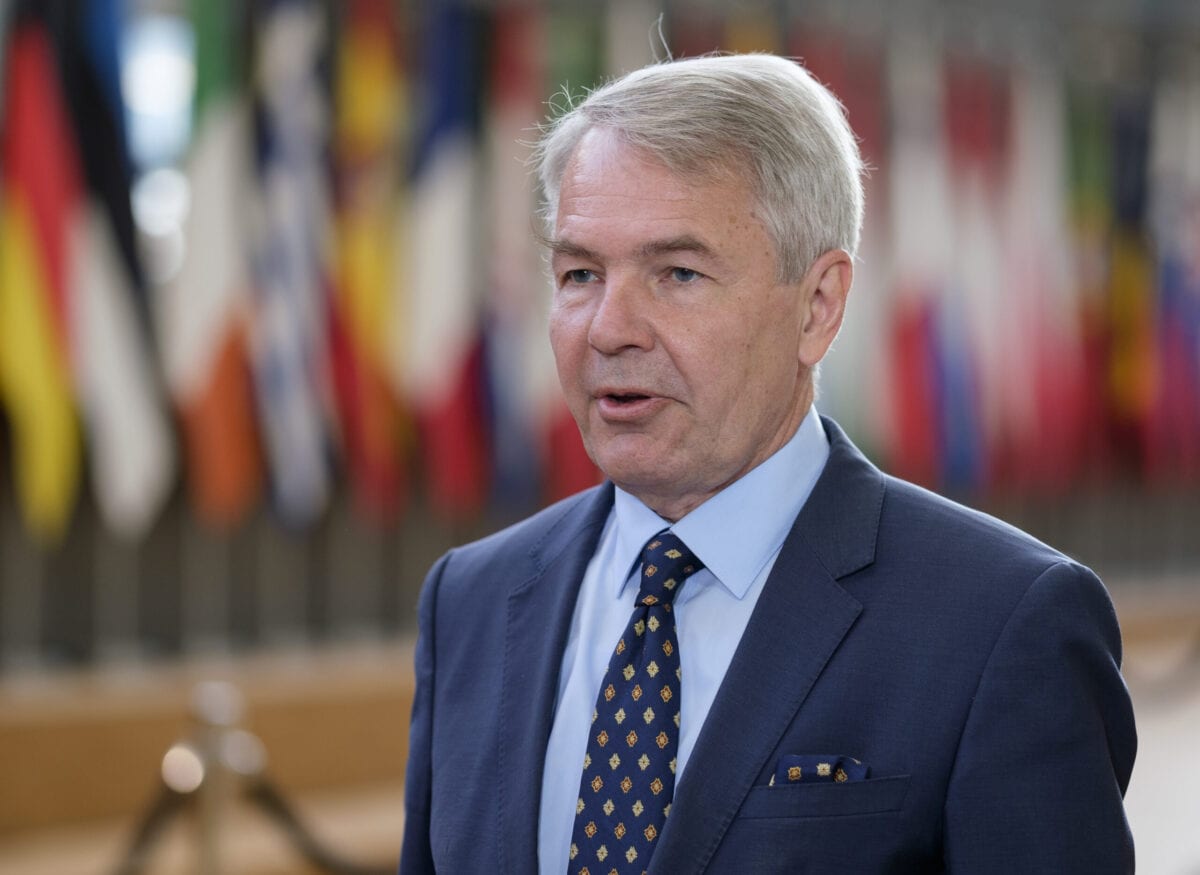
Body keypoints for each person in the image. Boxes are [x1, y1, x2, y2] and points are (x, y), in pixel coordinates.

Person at [399, 53, 1136, 874]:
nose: (609, 328)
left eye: (677, 273)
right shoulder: (469, 600)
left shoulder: (1003, 623)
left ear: (818, 307)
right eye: (580, 274)